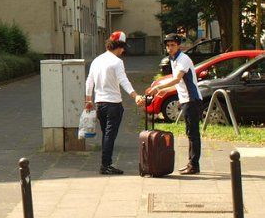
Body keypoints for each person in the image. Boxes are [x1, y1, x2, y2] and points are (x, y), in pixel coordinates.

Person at [84, 31, 144, 175]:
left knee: (106, 134)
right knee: (110, 135)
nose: (123, 51)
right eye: (123, 47)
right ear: (120, 46)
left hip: (100, 104)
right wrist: (135, 96)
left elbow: (89, 81)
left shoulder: (97, 60)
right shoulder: (117, 62)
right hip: (113, 105)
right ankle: (106, 165)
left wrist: (88, 99)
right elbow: (124, 80)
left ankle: (107, 163)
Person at [146, 33, 203, 175]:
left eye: (172, 45)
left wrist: (159, 88)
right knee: (190, 133)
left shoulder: (183, 59)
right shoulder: (173, 59)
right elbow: (180, 84)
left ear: (178, 46)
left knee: (193, 134)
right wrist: (164, 91)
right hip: (185, 100)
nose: (170, 48)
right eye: (168, 45)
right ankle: (192, 163)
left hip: (192, 100)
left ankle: (194, 165)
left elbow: (177, 79)